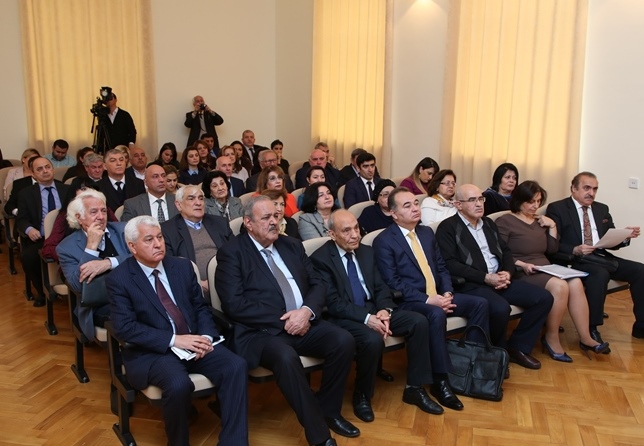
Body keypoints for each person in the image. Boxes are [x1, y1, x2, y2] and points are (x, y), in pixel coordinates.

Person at [215, 196, 358, 446]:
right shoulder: (231, 253)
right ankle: (319, 435)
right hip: (261, 332)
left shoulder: (291, 245)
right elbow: (234, 304)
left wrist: (305, 312)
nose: (274, 222)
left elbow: (317, 284)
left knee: (343, 340)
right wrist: (285, 320)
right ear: (248, 223)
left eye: (276, 216)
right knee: (285, 357)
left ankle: (328, 410)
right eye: (266, 218)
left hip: (304, 321)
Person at [107, 216, 248, 446]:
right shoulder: (120, 279)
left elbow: (201, 307)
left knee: (235, 366)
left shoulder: (181, 267)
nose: (158, 244)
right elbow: (126, 327)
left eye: (160, 237)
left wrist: (205, 337)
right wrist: (174, 340)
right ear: (132, 246)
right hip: (155, 351)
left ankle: (234, 442)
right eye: (149, 240)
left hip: (194, 342)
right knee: (178, 384)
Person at [310, 210, 443, 420]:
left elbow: (381, 287)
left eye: (356, 228)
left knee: (418, 322)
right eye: (346, 231)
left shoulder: (367, 252)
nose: (355, 235)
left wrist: (384, 310)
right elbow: (334, 303)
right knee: (372, 339)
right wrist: (367, 319)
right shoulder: (320, 259)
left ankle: (415, 388)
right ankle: (362, 395)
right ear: (332, 234)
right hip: (346, 316)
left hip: (375, 309)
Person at [372, 187, 490, 410]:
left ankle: (470, 367)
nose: (415, 208)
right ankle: (440, 380)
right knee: (435, 314)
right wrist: (428, 300)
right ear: (393, 213)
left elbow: (442, 267)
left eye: (416, 203)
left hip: (438, 296)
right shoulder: (384, 241)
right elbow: (393, 282)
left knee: (480, 304)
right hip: (409, 302)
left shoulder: (426, 233)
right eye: (407, 206)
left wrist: (447, 293)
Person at [435, 184, 554, 370]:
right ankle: (497, 355)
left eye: (481, 199)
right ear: (458, 204)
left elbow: (506, 252)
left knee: (544, 298)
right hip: (473, 284)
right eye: (472, 200)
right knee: (500, 308)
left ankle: (518, 347)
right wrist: (485, 277)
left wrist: (507, 272)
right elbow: (451, 264)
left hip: (499, 279)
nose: (479, 204)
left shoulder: (489, 223)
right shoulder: (448, 228)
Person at [496, 181, 609, 361]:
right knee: (560, 286)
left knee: (575, 282)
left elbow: (552, 250)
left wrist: (552, 227)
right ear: (519, 201)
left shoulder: (539, 221)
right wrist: (522, 265)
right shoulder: (505, 221)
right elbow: (500, 253)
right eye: (531, 202)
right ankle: (551, 336)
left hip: (545, 266)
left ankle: (586, 337)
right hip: (521, 269)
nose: (535, 206)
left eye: (538, 201)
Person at [547, 171, 644, 342]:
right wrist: (575, 249)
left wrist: (624, 236)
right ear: (573, 188)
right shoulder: (558, 208)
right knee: (600, 274)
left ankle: (641, 325)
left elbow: (610, 240)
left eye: (594, 189)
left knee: (640, 270)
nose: (591, 193)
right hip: (576, 260)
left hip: (601, 256)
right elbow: (552, 244)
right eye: (586, 188)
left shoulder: (601, 209)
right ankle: (591, 328)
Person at [56, 189, 128, 340]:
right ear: (79, 218)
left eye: (103, 211)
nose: (101, 217)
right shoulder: (66, 248)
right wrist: (91, 248)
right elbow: (77, 286)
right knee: (129, 316)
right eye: (94, 212)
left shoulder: (123, 231)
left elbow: (143, 257)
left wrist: (109, 263)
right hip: (101, 304)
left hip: (134, 293)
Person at [16, 156, 69, 306]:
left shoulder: (66, 190)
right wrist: (29, 229)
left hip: (65, 237)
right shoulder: (26, 194)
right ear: (33, 174)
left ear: (53, 169)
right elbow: (21, 219)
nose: (45, 171)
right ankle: (43, 291)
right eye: (39, 169)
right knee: (28, 258)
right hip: (41, 238)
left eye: (47, 167)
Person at [161, 185, 232, 293]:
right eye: (191, 198)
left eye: (201, 198)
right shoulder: (168, 230)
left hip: (229, 280)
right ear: (179, 205)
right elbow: (170, 266)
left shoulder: (220, 223)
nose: (198, 203)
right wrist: (199, 283)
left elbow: (236, 253)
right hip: (193, 287)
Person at [42, 179, 118, 262]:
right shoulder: (64, 215)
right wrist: (72, 255)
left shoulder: (105, 211)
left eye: (92, 189)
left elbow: (118, 233)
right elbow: (48, 248)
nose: (100, 216)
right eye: (84, 189)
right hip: (77, 263)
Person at [97, 147, 146, 212]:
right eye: (113, 160)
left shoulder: (138, 184)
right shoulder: (98, 187)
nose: (119, 163)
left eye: (121, 160)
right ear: (105, 166)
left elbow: (142, 208)